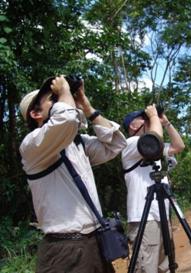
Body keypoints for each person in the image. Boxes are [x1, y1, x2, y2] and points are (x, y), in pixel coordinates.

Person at [19, 76, 127, 273]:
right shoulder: (32, 146)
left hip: (95, 242)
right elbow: (67, 119)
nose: (61, 99)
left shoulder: (77, 142)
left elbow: (116, 144)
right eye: (53, 98)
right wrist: (65, 93)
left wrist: (85, 104)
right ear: (35, 113)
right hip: (64, 250)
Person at [121, 106, 185, 273]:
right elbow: (155, 140)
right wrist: (154, 116)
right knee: (146, 268)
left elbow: (179, 146)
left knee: (164, 266)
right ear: (133, 126)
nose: (149, 120)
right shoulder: (131, 144)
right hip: (144, 217)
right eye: (145, 118)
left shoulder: (151, 146)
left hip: (161, 214)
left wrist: (166, 122)